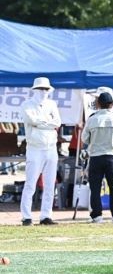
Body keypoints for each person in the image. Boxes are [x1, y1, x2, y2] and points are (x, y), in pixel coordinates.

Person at [20, 77, 61, 226]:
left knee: (50, 184)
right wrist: (48, 123)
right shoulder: (27, 105)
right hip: (35, 148)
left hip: (51, 147)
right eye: (41, 89)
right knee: (30, 183)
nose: (44, 91)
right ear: (35, 90)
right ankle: (26, 216)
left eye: (46, 89)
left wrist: (41, 123)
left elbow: (57, 122)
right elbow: (32, 121)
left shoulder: (52, 104)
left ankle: (46, 216)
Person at [81, 92, 113, 224]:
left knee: (95, 187)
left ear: (98, 104)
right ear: (112, 104)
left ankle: (97, 215)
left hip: (96, 156)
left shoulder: (92, 119)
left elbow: (85, 138)